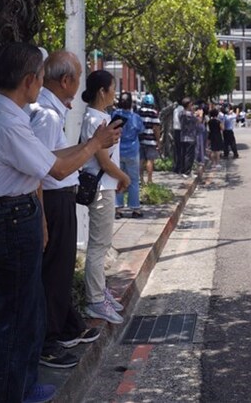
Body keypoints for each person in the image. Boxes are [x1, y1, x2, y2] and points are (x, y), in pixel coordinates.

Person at [0, 43, 121, 403]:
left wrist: (88, 144)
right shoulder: (7, 122)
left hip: (17, 214)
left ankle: (21, 385)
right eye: (41, 77)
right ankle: (8, 393)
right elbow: (56, 168)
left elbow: (48, 158)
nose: (44, 84)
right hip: (9, 219)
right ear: (29, 80)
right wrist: (93, 145)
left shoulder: (13, 116)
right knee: (16, 314)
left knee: (27, 307)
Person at [27, 51, 100, 370]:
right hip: (53, 201)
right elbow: (40, 170)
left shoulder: (52, 110)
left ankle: (67, 325)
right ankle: (48, 338)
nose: (79, 84)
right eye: (79, 77)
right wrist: (41, 216)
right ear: (66, 80)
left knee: (61, 267)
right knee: (54, 270)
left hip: (60, 199)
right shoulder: (47, 115)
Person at [80, 71, 131, 324]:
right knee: (98, 247)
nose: (115, 92)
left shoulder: (100, 116)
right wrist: (125, 177)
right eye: (113, 87)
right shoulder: (94, 119)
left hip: (106, 186)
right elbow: (102, 160)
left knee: (101, 245)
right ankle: (95, 301)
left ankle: (100, 294)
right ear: (102, 91)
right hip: (101, 188)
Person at [112, 91, 145, 219]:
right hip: (132, 152)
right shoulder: (135, 117)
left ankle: (117, 209)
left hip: (118, 152)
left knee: (118, 179)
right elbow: (141, 130)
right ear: (131, 103)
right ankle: (135, 208)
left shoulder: (115, 115)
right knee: (134, 181)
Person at [138, 94, 162, 184]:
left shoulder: (139, 111)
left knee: (141, 160)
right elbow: (156, 128)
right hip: (150, 140)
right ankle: (149, 180)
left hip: (140, 139)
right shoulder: (153, 113)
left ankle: (141, 179)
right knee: (150, 160)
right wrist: (158, 141)